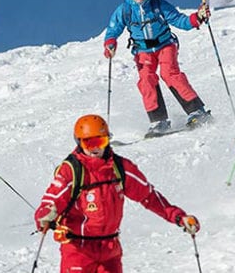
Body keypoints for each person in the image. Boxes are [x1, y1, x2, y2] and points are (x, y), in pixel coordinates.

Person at [33, 114, 200, 273]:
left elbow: (148, 196)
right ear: (79, 143)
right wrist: (45, 215)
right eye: (88, 143)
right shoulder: (72, 170)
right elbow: (52, 199)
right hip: (78, 249)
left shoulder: (119, 168)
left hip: (110, 249)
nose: (95, 148)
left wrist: (179, 217)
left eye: (101, 141)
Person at [104, 0, 212, 137]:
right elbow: (113, 30)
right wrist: (110, 43)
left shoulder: (158, 4)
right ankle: (158, 120)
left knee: (170, 74)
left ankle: (197, 111)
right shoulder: (125, 10)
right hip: (143, 51)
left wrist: (197, 17)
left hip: (165, 45)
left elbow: (179, 20)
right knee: (146, 79)